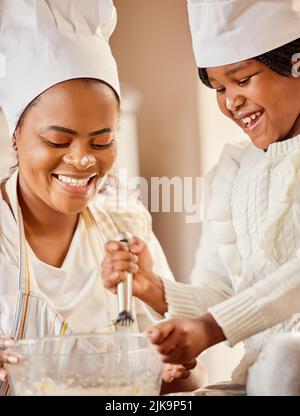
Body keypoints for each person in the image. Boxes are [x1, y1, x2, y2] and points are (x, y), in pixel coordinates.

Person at [0, 0, 206, 395]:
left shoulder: (126, 225)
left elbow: (182, 382)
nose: (82, 160)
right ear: (16, 135)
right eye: (58, 140)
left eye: (102, 141)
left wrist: (178, 371)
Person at [102, 0, 300, 392]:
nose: (231, 101)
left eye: (243, 80)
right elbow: (223, 292)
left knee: (284, 358)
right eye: (220, 87)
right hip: (258, 382)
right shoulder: (231, 174)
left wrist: (211, 327)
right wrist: (153, 288)